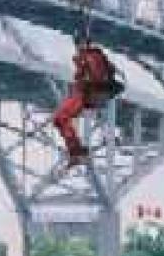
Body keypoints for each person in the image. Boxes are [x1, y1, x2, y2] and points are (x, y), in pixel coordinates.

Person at [52, 29, 124, 165]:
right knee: (62, 117)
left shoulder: (89, 56)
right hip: (95, 94)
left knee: (61, 118)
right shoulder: (94, 55)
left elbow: (94, 77)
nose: (77, 46)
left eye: (78, 43)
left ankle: (76, 150)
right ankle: (77, 149)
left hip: (91, 93)